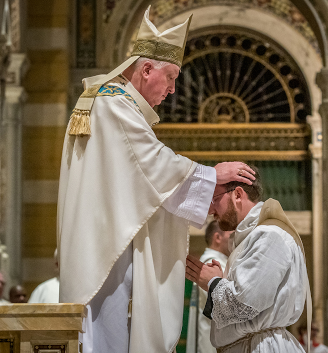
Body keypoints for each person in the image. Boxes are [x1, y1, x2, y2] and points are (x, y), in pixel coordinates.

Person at [57, 6, 255, 353]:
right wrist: (212, 174)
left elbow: (142, 181)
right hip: (107, 257)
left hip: (108, 242)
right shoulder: (112, 104)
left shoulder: (113, 104)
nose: (174, 90)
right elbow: (152, 164)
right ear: (146, 69)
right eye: (171, 77)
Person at [186, 167, 311, 353]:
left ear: (237, 194)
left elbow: (243, 305)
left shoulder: (270, 236)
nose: (211, 209)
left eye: (214, 199)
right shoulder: (248, 239)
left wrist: (213, 282)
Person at [187, 221, 231, 353]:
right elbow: (227, 305)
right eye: (232, 234)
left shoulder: (215, 263)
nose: (236, 238)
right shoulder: (212, 265)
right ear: (218, 237)